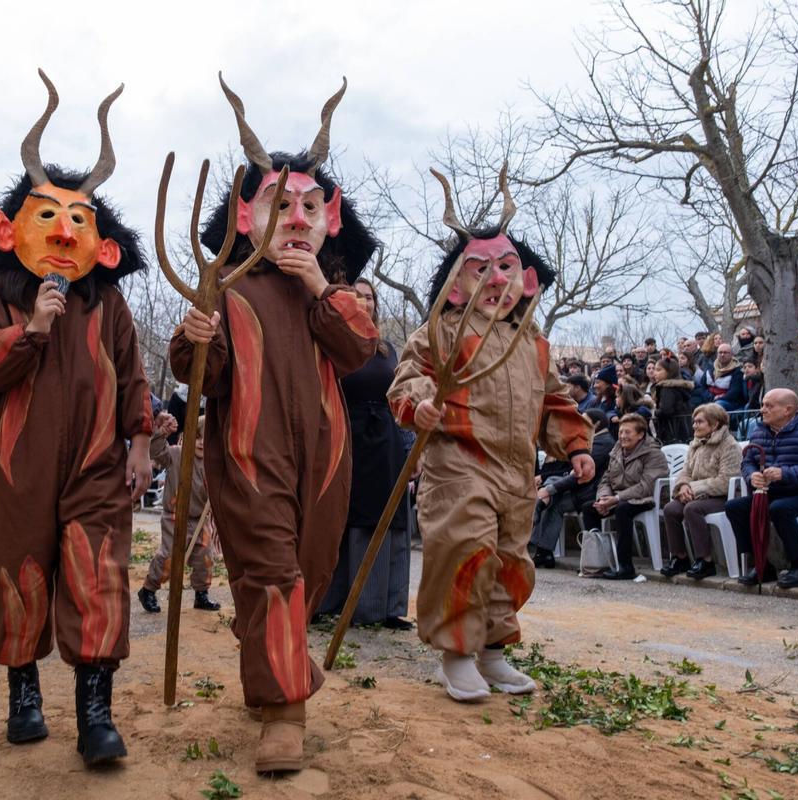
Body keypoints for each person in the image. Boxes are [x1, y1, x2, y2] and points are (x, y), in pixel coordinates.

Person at [170, 75, 378, 772]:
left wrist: (322, 287)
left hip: (325, 461)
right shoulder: (228, 287)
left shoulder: (334, 292)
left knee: (306, 574)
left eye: (309, 206)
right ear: (243, 215)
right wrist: (195, 335)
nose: (295, 216)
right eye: (278, 203)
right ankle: (286, 713)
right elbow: (204, 375)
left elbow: (358, 349)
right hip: (248, 460)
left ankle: (269, 660)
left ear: (331, 217)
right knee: (274, 573)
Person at [0, 73, 153, 765]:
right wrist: (32, 328)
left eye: (79, 219)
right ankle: (24, 695)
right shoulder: (0, 297)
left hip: (99, 467)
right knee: (18, 574)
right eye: (48, 217)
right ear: (13, 232)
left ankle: (95, 714)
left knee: (97, 576)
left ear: (101, 243)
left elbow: (134, 379)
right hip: (16, 473)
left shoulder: (110, 308)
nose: (65, 229)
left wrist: (142, 444)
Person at [387, 167, 592, 705]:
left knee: (509, 560)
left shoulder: (532, 340)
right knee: (466, 550)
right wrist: (420, 405)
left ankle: (493, 653)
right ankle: (456, 654)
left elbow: (553, 400)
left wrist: (576, 444)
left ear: (524, 278)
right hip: (459, 466)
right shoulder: (439, 330)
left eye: (505, 268)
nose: (495, 281)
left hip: (517, 472)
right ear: (457, 284)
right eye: (480, 270)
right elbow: (408, 377)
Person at [318, 278, 412, 630]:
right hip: (347, 438)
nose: (365, 302)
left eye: (370, 297)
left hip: (386, 442)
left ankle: (387, 608)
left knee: (390, 520)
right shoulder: (332, 344)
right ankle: (340, 601)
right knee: (347, 518)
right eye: (357, 297)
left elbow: (400, 397)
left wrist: (409, 449)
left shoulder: (386, 348)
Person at [725, 389, 798, 589]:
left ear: (788, 410)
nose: (762, 410)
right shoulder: (760, 431)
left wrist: (785, 473)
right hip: (772, 493)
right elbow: (747, 461)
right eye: (763, 405)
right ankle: (761, 564)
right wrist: (751, 476)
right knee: (735, 507)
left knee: (780, 508)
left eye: (769, 406)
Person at [136, 412, 218, 615]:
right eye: (196, 437)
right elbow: (156, 452)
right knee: (170, 556)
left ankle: (201, 594)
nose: (200, 443)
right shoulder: (176, 454)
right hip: (174, 517)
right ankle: (148, 589)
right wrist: (160, 434)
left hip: (200, 520)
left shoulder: (213, 464)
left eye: (205, 439)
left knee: (205, 556)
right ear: (187, 436)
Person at [660, 403, 741, 580]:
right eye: (694, 422)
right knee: (671, 509)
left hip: (721, 497)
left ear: (715, 424)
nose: (695, 426)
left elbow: (726, 481)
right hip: (695, 495)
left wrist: (693, 488)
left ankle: (705, 560)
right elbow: (685, 472)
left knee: (692, 509)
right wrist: (682, 487)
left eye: (700, 422)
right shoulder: (695, 444)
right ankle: (679, 557)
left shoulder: (729, 446)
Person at [583, 413, 667, 580]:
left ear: (641, 434)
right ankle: (597, 562)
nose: (622, 436)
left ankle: (625, 566)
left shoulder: (653, 454)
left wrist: (616, 499)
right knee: (589, 508)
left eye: (627, 432)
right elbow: (606, 479)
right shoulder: (617, 450)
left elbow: (646, 486)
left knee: (622, 510)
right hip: (618, 498)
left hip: (645, 498)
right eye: (621, 432)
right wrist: (603, 498)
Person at [531, 409, 613, 568]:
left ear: (595, 424)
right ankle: (544, 552)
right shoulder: (590, 441)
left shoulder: (604, 443)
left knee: (553, 498)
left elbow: (579, 474)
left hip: (589, 492)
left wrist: (550, 489)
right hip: (578, 488)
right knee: (554, 499)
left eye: (584, 421)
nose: (578, 425)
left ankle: (539, 510)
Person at [651, 357, 693, 444]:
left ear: (669, 371)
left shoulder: (667, 388)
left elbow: (666, 410)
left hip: (672, 432)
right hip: (683, 430)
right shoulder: (678, 386)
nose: (654, 373)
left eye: (658, 370)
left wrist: (655, 412)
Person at [708, 342, 746, 413]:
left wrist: (719, 397)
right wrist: (710, 397)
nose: (722, 355)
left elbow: (734, 392)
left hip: (730, 403)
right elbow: (701, 387)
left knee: (717, 405)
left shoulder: (737, 371)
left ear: (731, 355)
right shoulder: (710, 369)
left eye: (725, 353)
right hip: (710, 399)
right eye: (720, 352)